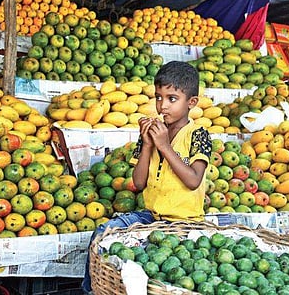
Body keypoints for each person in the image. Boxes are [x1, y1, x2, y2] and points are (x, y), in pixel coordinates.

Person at [82, 61, 212, 293]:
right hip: (150, 217)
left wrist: (164, 146)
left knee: (161, 268)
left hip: (184, 223)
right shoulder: (153, 133)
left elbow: (193, 180)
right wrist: (148, 145)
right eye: (159, 98)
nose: (163, 106)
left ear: (191, 102)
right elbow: (139, 182)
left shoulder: (198, 135)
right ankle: (91, 290)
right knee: (103, 234)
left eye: (172, 99)